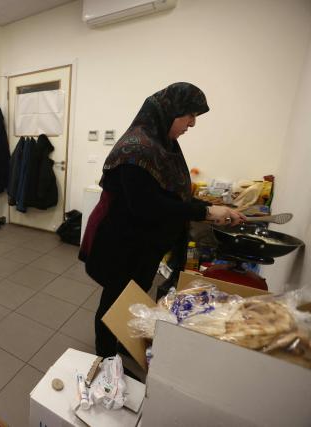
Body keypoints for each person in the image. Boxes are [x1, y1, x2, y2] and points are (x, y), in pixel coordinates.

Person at [79, 82, 246, 358]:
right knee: (114, 301)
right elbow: (148, 205)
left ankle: (120, 344)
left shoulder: (163, 146)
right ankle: (106, 358)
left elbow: (171, 196)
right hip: (120, 244)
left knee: (131, 297)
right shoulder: (136, 149)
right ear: (171, 110)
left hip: (140, 244)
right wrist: (205, 212)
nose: (192, 123)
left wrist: (209, 208)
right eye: (189, 115)